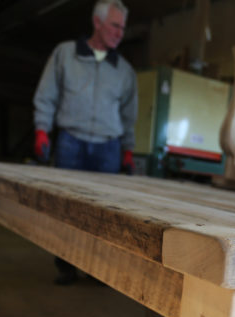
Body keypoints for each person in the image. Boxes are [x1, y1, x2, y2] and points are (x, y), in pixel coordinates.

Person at [33, 0, 138, 284]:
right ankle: (66, 266)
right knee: (67, 209)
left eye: (123, 27)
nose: (120, 32)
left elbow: (129, 114)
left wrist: (128, 149)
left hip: (108, 147)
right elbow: (47, 94)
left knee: (103, 214)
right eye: (115, 25)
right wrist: (42, 129)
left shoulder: (124, 71)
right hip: (71, 142)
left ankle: (96, 269)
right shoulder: (65, 55)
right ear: (97, 22)